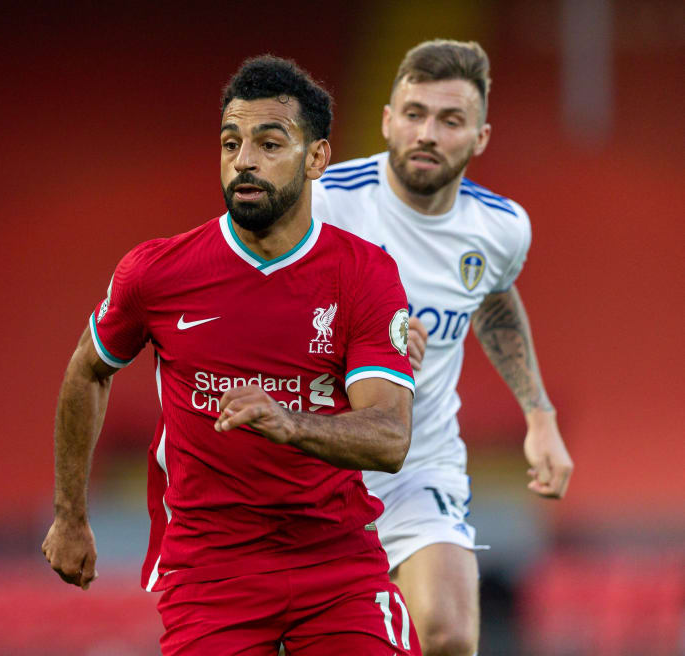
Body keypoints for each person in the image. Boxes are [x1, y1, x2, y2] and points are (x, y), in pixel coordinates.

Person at [42, 55, 422, 655]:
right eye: (231, 142)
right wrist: (69, 514)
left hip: (337, 560)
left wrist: (287, 422)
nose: (244, 160)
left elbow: (390, 437)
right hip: (212, 567)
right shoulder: (157, 272)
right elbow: (89, 369)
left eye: (270, 143)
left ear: (317, 158)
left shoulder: (364, 274)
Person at [311, 39, 574, 656]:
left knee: (449, 634)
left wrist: (539, 416)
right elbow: (260, 317)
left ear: (480, 137)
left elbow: (494, 299)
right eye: (414, 113)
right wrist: (367, 336)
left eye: (450, 120)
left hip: (416, 463)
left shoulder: (500, 227)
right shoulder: (324, 203)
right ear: (386, 120)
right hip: (316, 459)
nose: (427, 133)